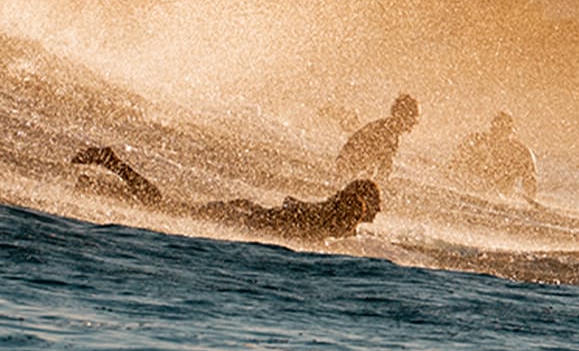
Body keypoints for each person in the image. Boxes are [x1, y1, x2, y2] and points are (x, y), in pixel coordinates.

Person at [72, 145, 380, 242]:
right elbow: (296, 212)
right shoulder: (337, 216)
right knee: (161, 207)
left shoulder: (330, 216)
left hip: (246, 212)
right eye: (375, 204)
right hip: (240, 216)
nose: (378, 213)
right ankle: (112, 162)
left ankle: (97, 186)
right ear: (358, 204)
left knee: (165, 207)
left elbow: (293, 207)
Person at [454, 112, 537, 202]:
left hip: (503, 199)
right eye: (496, 130)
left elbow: (531, 186)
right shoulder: (478, 143)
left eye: (503, 130)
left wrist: (530, 203)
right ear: (492, 130)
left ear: (511, 132)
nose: (499, 134)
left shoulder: (521, 153)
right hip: (476, 194)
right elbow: (455, 164)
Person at [336, 94, 419, 183]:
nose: (414, 122)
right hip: (348, 168)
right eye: (412, 118)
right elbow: (383, 171)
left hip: (345, 166)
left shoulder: (384, 128)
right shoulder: (388, 134)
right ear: (401, 115)